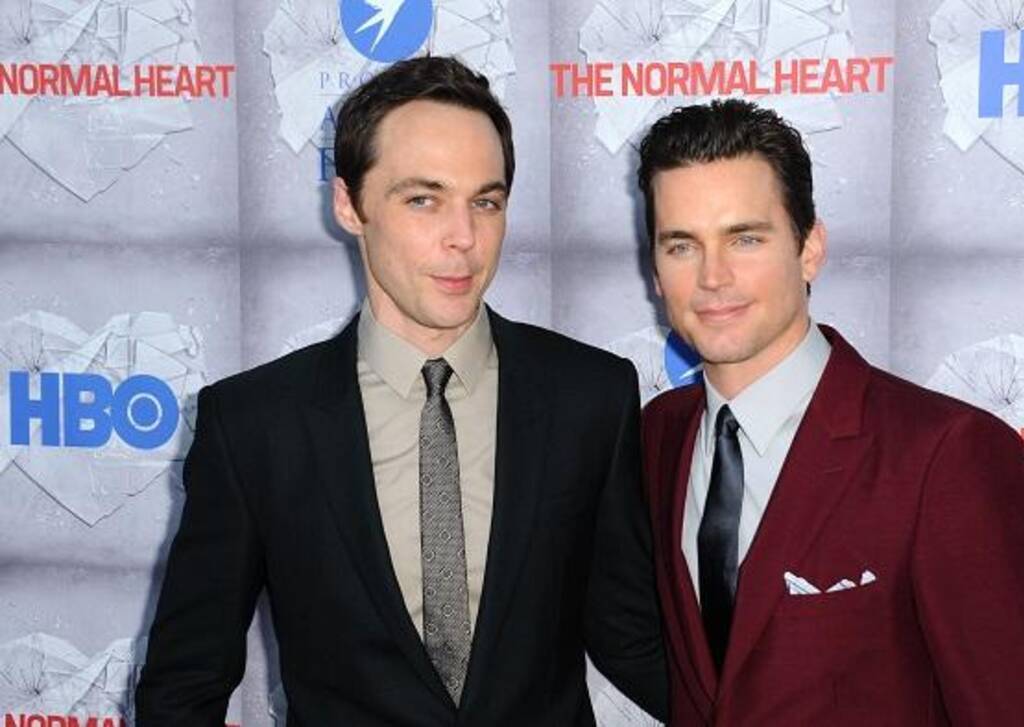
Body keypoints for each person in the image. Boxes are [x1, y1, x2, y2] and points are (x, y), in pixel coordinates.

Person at [135, 56, 667, 726]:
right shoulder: (254, 425)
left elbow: (632, 639)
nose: (464, 238)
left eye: (486, 201)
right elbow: (182, 688)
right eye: (423, 199)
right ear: (348, 204)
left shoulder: (590, 396)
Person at [635, 98, 1024, 725]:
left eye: (745, 239)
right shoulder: (659, 433)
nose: (713, 276)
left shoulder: (948, 456)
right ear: (655, 271)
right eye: (681, 246)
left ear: (810, 248)